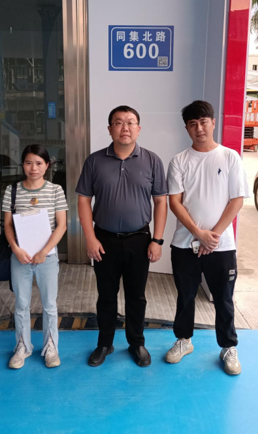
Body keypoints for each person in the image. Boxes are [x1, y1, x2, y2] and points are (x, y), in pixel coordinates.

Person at [76, 105, 167, 367]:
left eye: (130, 122)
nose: (124, 128)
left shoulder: (152, 160)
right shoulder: (94, 161)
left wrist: (157, 240)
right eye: (118, 122)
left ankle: (136, 343)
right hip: (104, 240)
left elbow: (161, 202)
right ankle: (105, 343)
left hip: (140, 239)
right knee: (106, 295)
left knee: (136, 296)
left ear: (138, 128)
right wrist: (90, 238)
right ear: (110, 129)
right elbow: (83, 200)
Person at [166, 100, 250, 375]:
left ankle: (228, 346)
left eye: (203, 122)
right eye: (193, 124)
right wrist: (198, 233)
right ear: (187, 128)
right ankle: (183, 340)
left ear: (213, 123)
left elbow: (237, 200)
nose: (199, 128)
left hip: (221, 246)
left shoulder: (230, 157)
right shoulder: (179, 161)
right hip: (184, 244)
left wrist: (212, 236)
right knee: (185, 295)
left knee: (223, 298)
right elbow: (175, 202)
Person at [3, 144, 68, 369]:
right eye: (29, 163)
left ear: (47, 165)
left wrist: (43, 251)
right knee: (21, 304)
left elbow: (61, 225)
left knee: (49, 304)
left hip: (47, 257)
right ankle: (23, 346)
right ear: (23, 165)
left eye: (39, 163)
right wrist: (15, 248)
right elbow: (8, 225)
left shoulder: (55, 190)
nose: (34, 168)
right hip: (20, 256)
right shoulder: (12, 190)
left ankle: (51, 347)